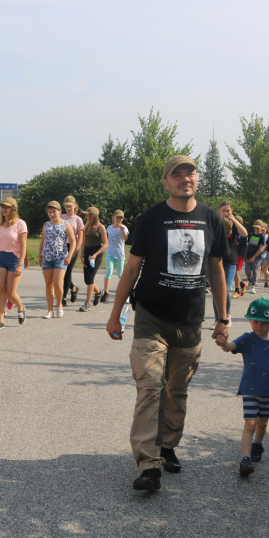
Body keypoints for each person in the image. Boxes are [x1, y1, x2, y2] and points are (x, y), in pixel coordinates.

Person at [105, 155, 230, 492]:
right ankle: (148, 465)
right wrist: (115, 313)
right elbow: (131, 269)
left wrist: (223, 317)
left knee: (176, 390)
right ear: (166, 182)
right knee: (150, 385)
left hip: (190, 320)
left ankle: (167, 446)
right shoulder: (151, 219)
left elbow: (217, 271)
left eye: (190, 173)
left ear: (197, 179)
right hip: (151, 316)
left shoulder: (212, 220)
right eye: (177, 174)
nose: (184, 178)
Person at [215, 297, 269, 477]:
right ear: (250, 320)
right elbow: (231, 347)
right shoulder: (247, 338)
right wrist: (223, 343)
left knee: (262, 423)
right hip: (250, 388)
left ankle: (258, 444)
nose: (259, 326)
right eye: (255, 321)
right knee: (250, 423)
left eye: (264, 323)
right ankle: (245, 459)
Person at [0, 197, 28, 329]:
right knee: (0, 291)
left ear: (13, 208)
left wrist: (20, 264)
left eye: (7, 207)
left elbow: (23, 246)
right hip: (0, 258)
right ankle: (0, 321)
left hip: (14, 259)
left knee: (11, 293)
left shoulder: (20, 224)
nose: (4, 209)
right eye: (3, 207)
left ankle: (20, 307)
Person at [39, 200, 76, 318]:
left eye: (54, 211)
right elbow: (42, 241)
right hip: (47, 257)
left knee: (57, 283)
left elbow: (73, 241)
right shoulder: (46, 224)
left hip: (60, 257)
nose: (52, 214)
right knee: (48, 284)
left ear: (59, 211)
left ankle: (59, 305)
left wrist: (70, 255)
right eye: (49, 212)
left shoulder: (66, 224)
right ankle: (50, 310)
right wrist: (40, 256)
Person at [213, 201, 247, 324]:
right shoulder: (215, 222)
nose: (226, 213)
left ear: (232, 211)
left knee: (225, 289)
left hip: (230, 260)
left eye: (228, 210)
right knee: (216, 289)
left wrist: (234, 219)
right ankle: (217, 318)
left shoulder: (234, 224)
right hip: (216, 260)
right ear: (219, 211)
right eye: (224, 211)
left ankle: (226, 315)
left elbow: (244, 233)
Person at [78, 206, 108, 311]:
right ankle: (99, 292)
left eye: (87, 214)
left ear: (93, 216)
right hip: (87, 253)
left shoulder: (101, 227)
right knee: (87, 280)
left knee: (90, 278)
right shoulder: (86, 226)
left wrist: (96, 254)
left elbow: (105, 244)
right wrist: (82, 255)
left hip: (97, 254)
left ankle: (87, 303)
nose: (86, 216)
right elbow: (83, 242)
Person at [60, 195, 85, 306]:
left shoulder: (78, 219)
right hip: (61, 247)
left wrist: (76, 249)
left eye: (70, 206)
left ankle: (63, 297)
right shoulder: (61, 217)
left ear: (75, 206)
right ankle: (73, 288)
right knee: (62, 271)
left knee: (68, 271)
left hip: (72, 246)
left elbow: (80, 236)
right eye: (66, 206)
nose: (68, 208)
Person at [102, 210, 129, 303]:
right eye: (117, 217)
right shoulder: (109, 228)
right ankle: (106, 293)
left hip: (120, 255)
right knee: (108, 271)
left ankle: (126, 294)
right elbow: (106, 238)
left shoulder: (124, 227)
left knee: (120, 274)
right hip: (110, 253)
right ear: (113, 217)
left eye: (121, 218)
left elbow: (126, 239)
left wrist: (122, 230)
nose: (119, 219)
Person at [244, 221, 265, 294]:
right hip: (248, 256)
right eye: (255, 227)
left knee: (255, 272)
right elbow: (248, 244)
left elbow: (260, 248)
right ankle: (250, 282)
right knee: (247, 271)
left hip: (256, 257)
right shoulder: (251, 235)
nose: (256, 229)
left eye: (257, 227)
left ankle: (253, 286)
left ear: (261, 228)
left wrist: (253, 257)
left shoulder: (261, 236)